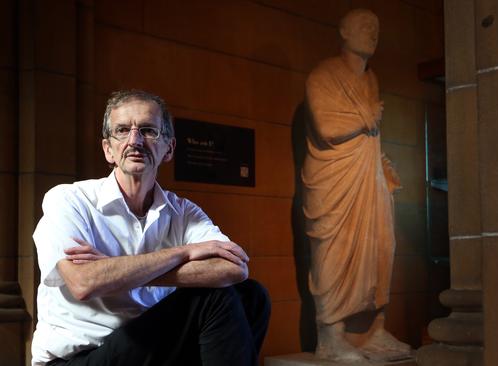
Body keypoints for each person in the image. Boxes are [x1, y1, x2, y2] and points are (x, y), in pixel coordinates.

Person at [31, 90, 270, 366]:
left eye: (148, 130)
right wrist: (184, 252)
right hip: (80, 358)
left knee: (251, 295)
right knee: (214, 298)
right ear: (108, 149)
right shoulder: (69, 200)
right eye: (122, 130)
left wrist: (117, 270)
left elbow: (235, 268)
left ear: (169, 148)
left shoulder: (183, 211)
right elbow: (84, 282)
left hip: (146, 349)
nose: (134, 140)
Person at [302, 8, 409, 363]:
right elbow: (326, 127)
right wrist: (365, 118)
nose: (373, 33)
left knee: (380, 248)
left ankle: (372, 332)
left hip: (369, 180)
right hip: (335, 183)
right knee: (338, 251)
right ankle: (331, 337)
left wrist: (382, 165)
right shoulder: (323, 75)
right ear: (344, 31)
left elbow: (370, 134)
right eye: (365, 26)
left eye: (377, 28)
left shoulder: (371, 79)